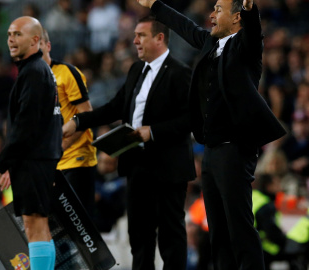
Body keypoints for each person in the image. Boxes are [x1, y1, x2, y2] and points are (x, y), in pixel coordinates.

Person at [136, 0, 287, 269]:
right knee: (218, 232)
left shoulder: (246, 46)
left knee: (239, 229)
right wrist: (155, 5)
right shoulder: (210, 43)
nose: (211, 14)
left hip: (235, 149)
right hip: (211, 151)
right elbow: (185, 26)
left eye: (218, 10)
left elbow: (253, 28)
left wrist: (252, 11)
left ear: (237, 18)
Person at [63, 15, 195, 270]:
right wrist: (79, 122)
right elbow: (115, 107)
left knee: (171, 236)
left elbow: (192, 118)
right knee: (139, 235)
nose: (134, 41)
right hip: (137, 165)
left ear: (159, 38)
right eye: (135, 35)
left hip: (168, 167)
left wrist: (153, 131)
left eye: (141, 35)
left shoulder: (180, 73)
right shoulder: (136, 69)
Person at [0, 16, 62, 270]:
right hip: (39, 160)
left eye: (17, 34)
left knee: (34, 226)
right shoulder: (40, 70)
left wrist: (2, 164)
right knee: (39, 226)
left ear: (35, 41)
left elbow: (24, 127)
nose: (11, 39)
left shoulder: (33, 72)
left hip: (34, 161)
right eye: (9, 34)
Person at [39, 29, 98, 217]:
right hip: (47, 166)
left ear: (47, 46)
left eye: (37, 44)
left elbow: (86, 115)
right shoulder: (27, 81)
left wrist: (60, 147)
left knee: (80, 232)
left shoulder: (67, 73)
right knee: (54, 229)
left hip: (75, 161)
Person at [252, 174, 290, 269]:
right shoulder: (265, 205)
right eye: (276, 183)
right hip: (261, 248)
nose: (280, 187)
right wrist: (284, 242)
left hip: (244, 245)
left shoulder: (252, 196)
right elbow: (272, 232)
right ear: (268, 186)